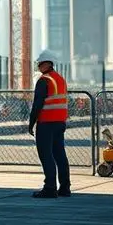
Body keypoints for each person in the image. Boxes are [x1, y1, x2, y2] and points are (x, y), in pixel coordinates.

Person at [28, 50, 71, 198]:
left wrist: (31, 123)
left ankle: (50, 188)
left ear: (47, 64)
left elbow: (37, 104)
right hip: (60, 122)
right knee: (59, 154)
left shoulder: (44, 80)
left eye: (40, 64)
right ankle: (65, 187)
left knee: (46, 155)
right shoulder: (60, 79)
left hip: (46, 122)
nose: (39, 67)